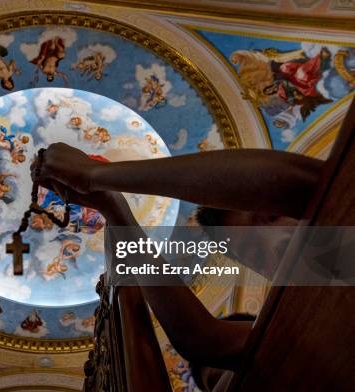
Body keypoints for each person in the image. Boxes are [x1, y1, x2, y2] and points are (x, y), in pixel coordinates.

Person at [33, 141, 326, 391]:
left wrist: (96, 175)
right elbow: (203, 339)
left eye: (273, 216)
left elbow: (303, 182)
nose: (271, 242)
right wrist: (113, 207)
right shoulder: (300, 329)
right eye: (255, 254)